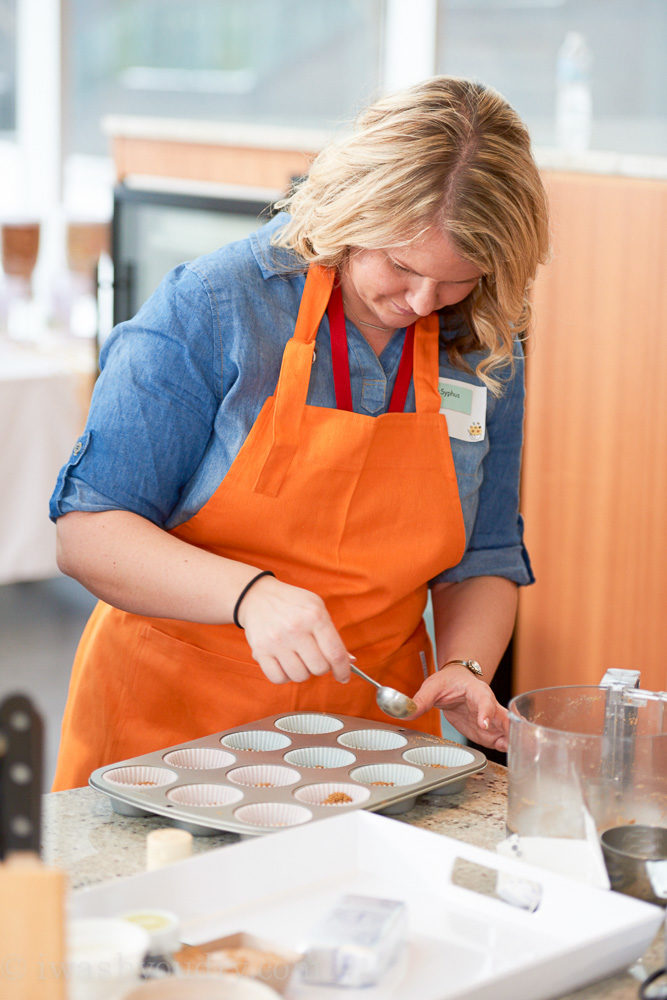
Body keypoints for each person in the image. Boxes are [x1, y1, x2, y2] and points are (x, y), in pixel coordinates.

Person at [50, 76, 550, 790]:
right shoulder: (215, 307)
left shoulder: (484, 349)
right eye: (401, 266)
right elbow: (88, 530)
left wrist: (465, 666)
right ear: (350, 211)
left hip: (372, 738)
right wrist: (249, 595)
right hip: (171, 732)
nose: (418, 302)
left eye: (454, 280)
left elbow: (485, 554)